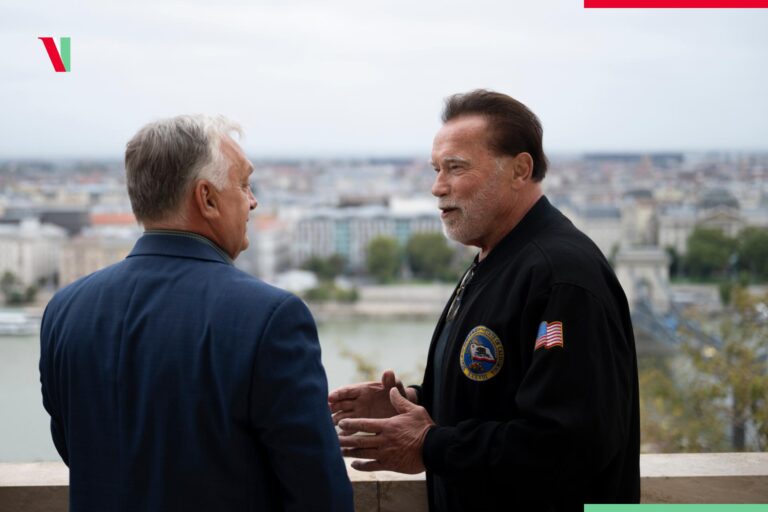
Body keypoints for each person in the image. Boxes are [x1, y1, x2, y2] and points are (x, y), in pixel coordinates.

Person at [329, 90, 640, 511]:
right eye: (437, 169)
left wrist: (430, 444)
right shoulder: (496, 257)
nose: (437, 187)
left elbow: (571, 443)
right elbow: (500, 393)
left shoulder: (561, 276)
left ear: (519, 170)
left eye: (456, 168)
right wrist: (413, 402)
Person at [40, 115, 353, 512]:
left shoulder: (65, 309)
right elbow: (319, 492)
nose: (253, 201)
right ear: (206, 199)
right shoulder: (270, 318)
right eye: (244, 184)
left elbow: (76, 450)